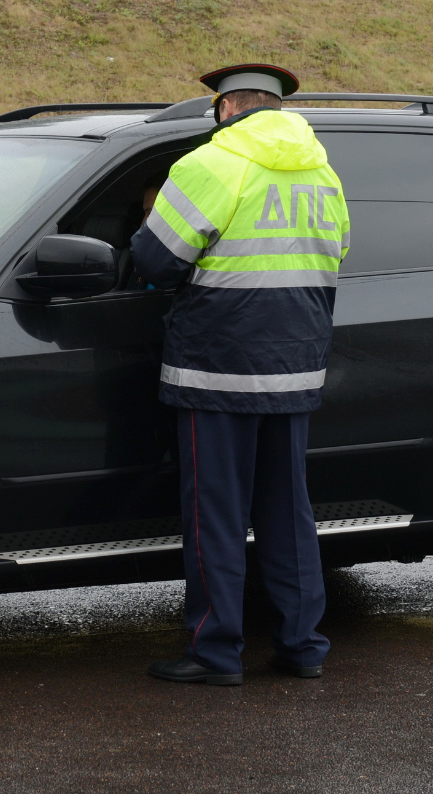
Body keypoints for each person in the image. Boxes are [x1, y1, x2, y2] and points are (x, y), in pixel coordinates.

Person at [130, 64, 350, 685]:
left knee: (216, 514)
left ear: (225, 108)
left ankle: (215, 650)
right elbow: (337, 254)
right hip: (295, 365)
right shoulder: (321, 173)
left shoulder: (211, 164)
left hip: (217, 368)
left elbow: (154, 258)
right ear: (276, 110)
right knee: (288, 510)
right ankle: (303, 645)